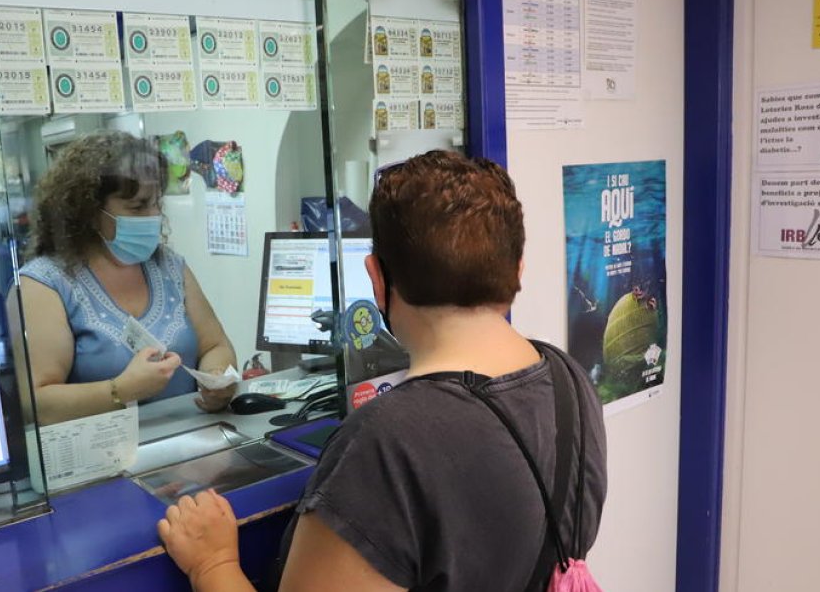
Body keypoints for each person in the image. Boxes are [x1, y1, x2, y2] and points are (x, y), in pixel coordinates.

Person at [157, 150, 608, 591]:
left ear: (376, 278)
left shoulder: (389, 442)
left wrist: (212, 565)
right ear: (517, 270)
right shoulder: (570, 381)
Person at [10, 132, 237, 426]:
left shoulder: (167, 265)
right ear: (89, 212)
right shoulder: (46, 284)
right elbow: (34, 403)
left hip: (189, 450)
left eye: (157, 203)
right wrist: (119, 391)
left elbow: (215, 346)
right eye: (138, 207)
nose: (153, 215)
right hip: (100, 462)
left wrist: (217, 380)